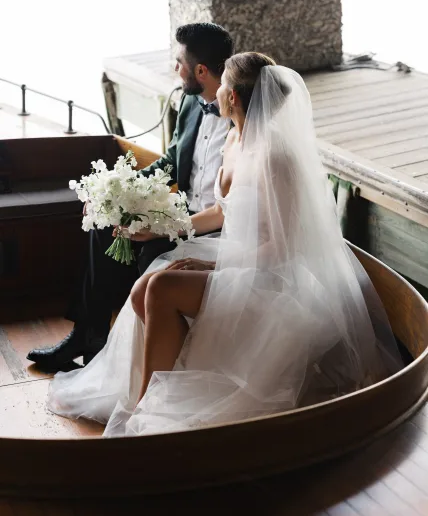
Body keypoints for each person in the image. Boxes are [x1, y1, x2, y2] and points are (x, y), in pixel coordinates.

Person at [48, 52, 403, 436]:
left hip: (273, 277)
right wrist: (162, 228)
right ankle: (166, 391)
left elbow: (282, 247)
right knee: (141, 290)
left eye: (224, 89)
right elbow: (221, 212)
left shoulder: (276, 156)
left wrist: (213, 267)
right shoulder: (234, 137)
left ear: (232, 97)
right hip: (237, 259)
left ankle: (144, 410)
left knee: (163, 287)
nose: (216, 94)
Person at [27, 22, 234, 371]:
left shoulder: (239, 116)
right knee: (105, 227)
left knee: (150, 250)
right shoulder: (189, 102)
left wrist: (160, 228)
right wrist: (120, 195)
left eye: (179, 61)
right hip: (179, 208)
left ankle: (140, 357)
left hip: (214, 226)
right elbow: (170, 162)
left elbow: (225, 209)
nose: (175, 68)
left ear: (200, 70)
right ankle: (87, 337)